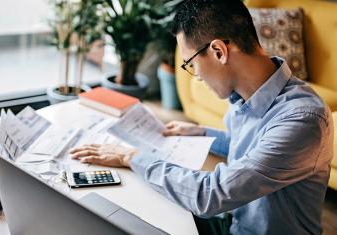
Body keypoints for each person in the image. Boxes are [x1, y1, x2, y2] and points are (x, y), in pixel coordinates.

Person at [69, 0, 333, 234]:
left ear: (219, 51)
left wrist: (130, 156)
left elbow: (211, 195)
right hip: (233, 222)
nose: (196, 75)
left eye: (190, 64)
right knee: (137, 209)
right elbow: (248, 146)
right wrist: (200, 132)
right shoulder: (248, 93)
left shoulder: (302, 119)